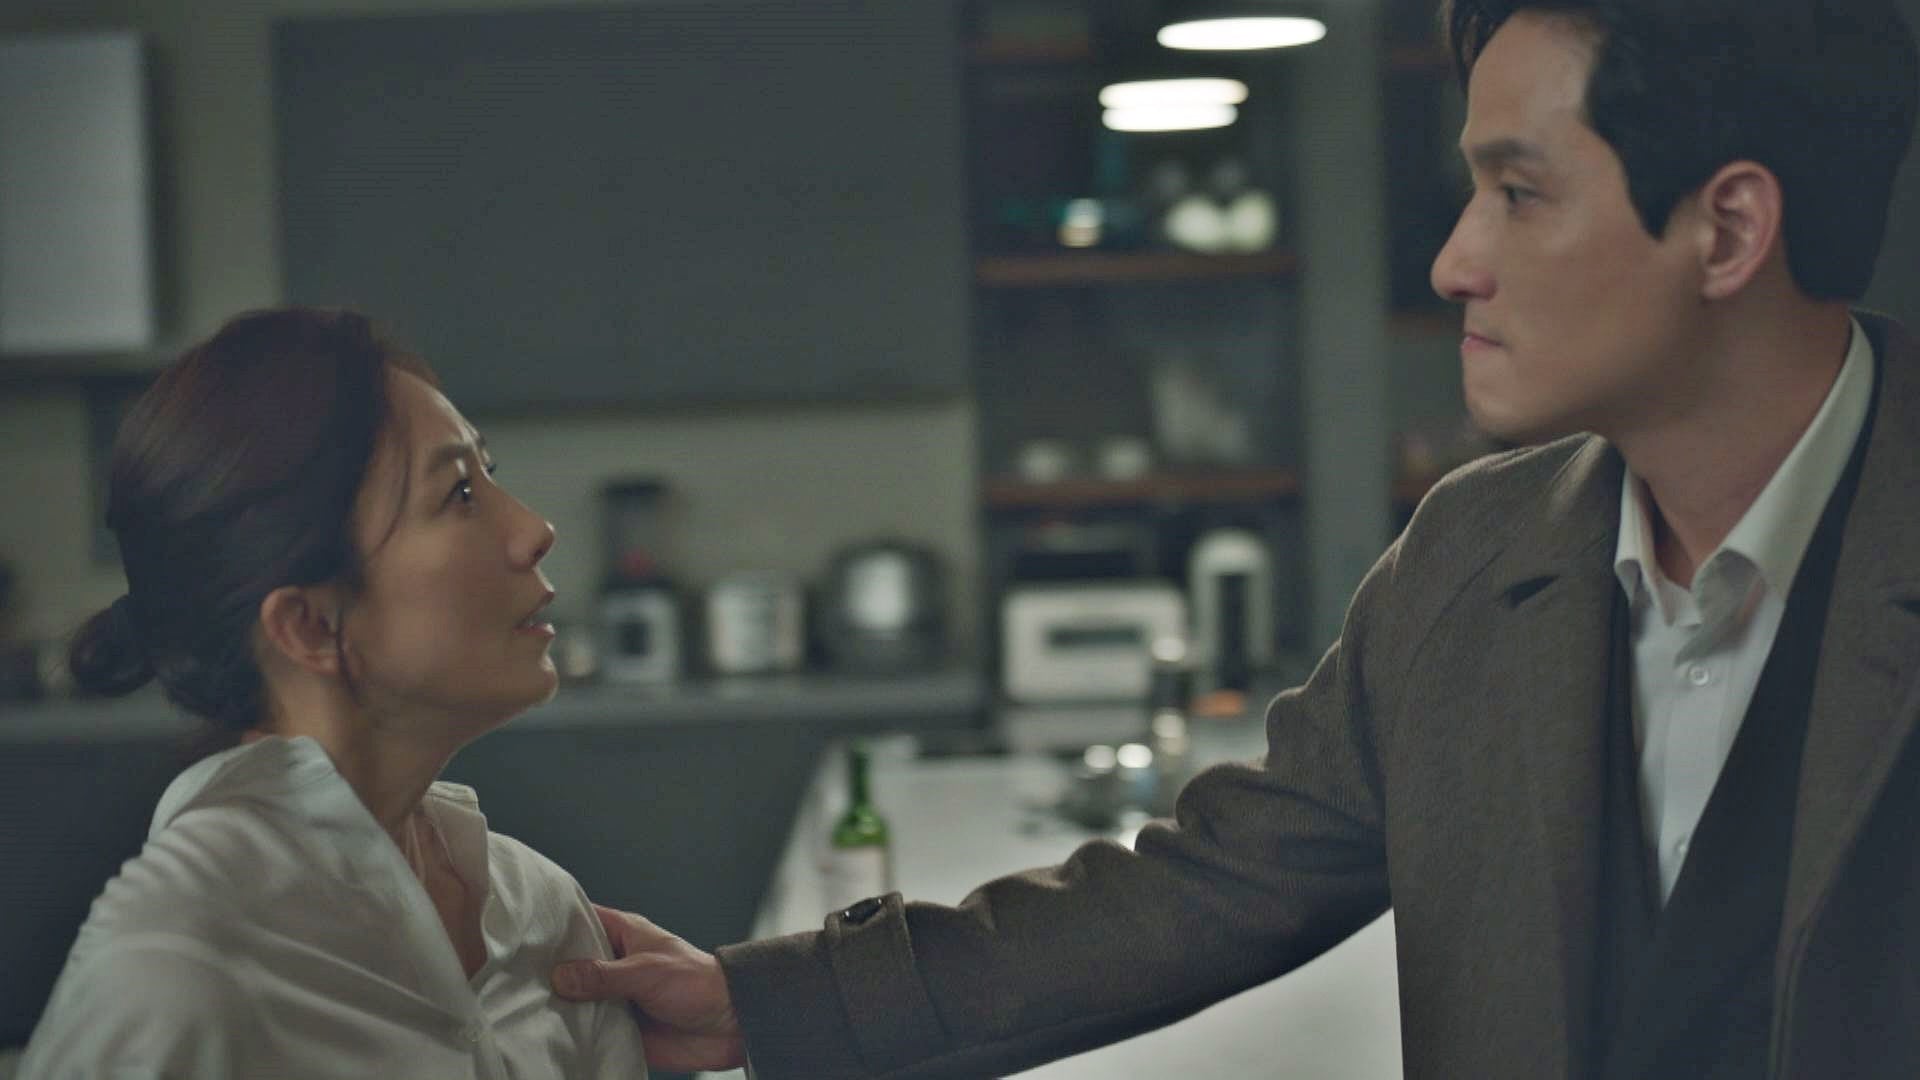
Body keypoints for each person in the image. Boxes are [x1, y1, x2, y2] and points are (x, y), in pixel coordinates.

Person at [550, 0, 1920, 1076]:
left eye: (1520, 192)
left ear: (1727, 229)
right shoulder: (1475, 552)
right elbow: (1206, 886)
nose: (1454, 261)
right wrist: (770, 1002)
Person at [18, 308, 648, 1077]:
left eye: (490, 474)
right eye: (458, 492)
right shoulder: (174, 964)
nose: (534, 529)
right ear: (311, 626)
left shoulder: (546, 914)